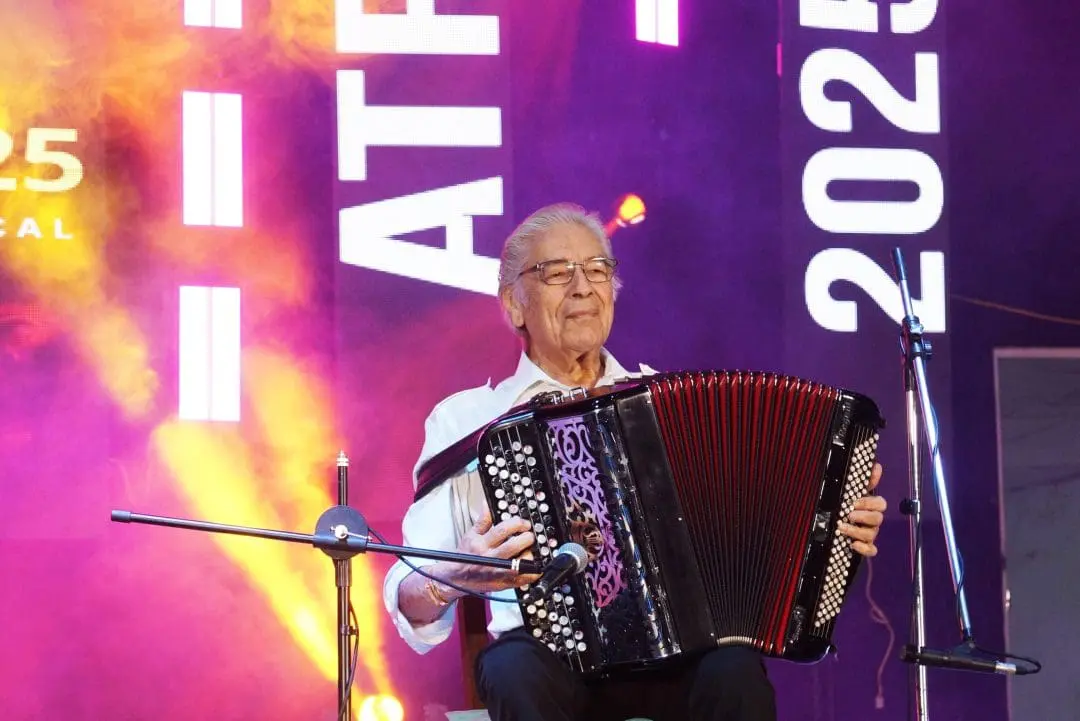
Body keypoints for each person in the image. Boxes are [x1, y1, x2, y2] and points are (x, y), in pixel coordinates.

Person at [382, 203, 887, 721]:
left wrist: (834, 530)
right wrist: (453, 575)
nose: (582, 287)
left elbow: (755, 534)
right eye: (557, 273)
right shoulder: (470, 420)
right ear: (514, 304)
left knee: (734, 669)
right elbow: (405, 592)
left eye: (597, 270)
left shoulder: (671, 405)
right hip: (546, 660)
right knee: (513, 670)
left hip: (676, 656)